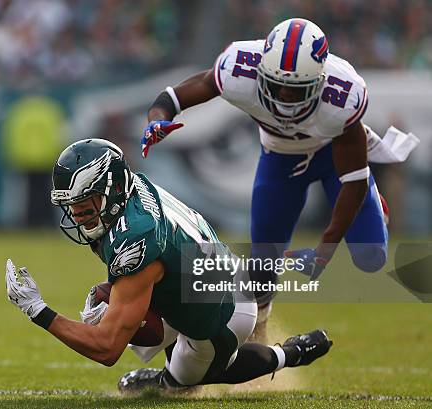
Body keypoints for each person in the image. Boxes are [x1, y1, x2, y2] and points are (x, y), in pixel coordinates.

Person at [139, 18, 419, 338]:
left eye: (296, 88)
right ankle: (258, 327)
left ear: (319, 81)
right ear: (260, 71)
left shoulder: (342, 96)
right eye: (277, 85)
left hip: (332, 158)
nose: (285, 96)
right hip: (281, 161)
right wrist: (156, 120)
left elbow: (352, 183)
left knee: (371, 257)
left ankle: (376, 207)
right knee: (262, 263)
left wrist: (323, 251)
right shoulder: (238, 68)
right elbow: (174, 98)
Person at [4, 138, 332, 392]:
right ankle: (183, 355)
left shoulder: (136, 238)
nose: (76, 214)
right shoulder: (134, 190)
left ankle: (290, 352)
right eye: (71, 205)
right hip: (212, 275)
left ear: (113, 189)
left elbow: (107, 349)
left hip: (225, 313)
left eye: (84, 203)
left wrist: (38, 310)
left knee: (185, 383)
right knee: (121, 305)